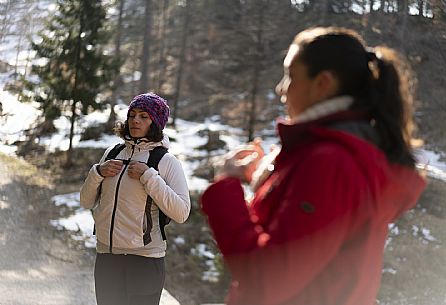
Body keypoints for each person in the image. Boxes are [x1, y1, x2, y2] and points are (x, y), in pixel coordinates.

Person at [200, 27, 426, 305]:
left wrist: (225, 187)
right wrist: (270, 181)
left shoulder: (331, 162)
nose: (280, 89)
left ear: (323, 83)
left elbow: (268, 278)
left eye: (290, 76)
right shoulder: (335, 153)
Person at [80, 92, 191, 305]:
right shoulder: (112, 153)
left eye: (143, 116)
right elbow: (86, 202)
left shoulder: (166, 161)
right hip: (107, 256)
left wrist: (149, 176)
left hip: (145, 260)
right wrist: (97, 173)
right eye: (132, 115)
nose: (135, 120)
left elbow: (182, 212)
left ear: (155, 123)